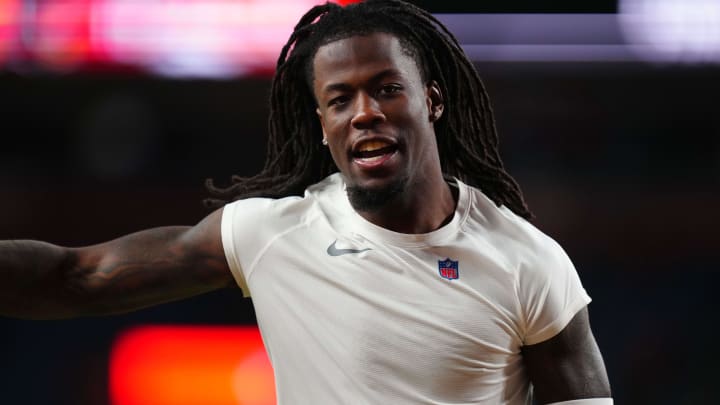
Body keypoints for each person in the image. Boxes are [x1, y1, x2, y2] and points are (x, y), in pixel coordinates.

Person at [0, 1, 612, 404]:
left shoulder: (528, 262)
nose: (364, 112)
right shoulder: (272, 233)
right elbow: (77, 277)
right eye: (340, 99)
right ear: (322, 125)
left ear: (433, 100)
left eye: (387, 89)